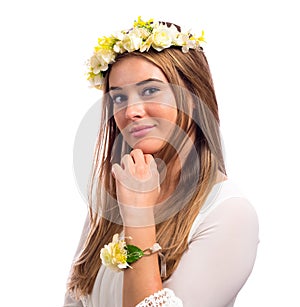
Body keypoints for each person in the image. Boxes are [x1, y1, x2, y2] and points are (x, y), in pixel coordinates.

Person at [63, 16, 259, 307]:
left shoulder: (229, 213)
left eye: (150, 90)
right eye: (118, 98)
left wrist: (139, 217)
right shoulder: (113, 197)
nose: (131, 111)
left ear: (193, 96)